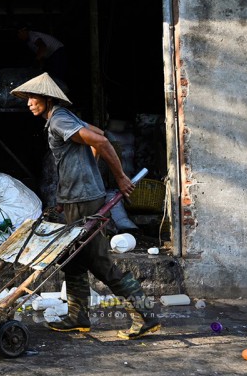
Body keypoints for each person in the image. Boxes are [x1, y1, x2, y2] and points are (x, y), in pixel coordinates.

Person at [10, 73, 161, 340]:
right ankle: (77, 317)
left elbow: (101, 141)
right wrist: (87, 173)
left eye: (33, 98)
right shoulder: (65, 117)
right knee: (74, 261)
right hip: (77, 197)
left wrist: (120, 177)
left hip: (83, 201)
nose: (29, 103)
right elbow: (99, 134)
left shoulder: (59, 119)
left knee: (99, 263)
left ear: (47, 98)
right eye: (28, 98)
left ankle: (146, 316)